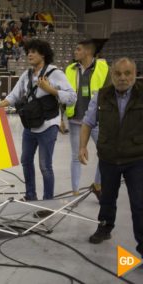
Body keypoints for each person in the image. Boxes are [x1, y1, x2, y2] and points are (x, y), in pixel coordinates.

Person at [0, 39, 76, 204]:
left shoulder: (55, 73)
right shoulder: (27, 75)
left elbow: (72, 97)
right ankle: (30, 195)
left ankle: (48, 202)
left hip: (49, 124)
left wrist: (51, 90)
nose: (30, 54)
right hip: (30, 125)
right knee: (26, 161)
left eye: (34, 51)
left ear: (43, 54)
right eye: (28, 51)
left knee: (45, 166)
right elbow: (14, 95)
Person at [79, 57, 143, 258]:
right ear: (112, 75)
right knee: (107, 198)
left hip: (136, 159)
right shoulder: (101, 95)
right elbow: (88, 122)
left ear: (135, 74)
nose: (122, 78)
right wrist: (82, 146)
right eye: (118, 73)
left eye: (127, 73)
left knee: (139, 203)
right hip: (108, 158)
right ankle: (105, 229)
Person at [65, 39, 110, 197]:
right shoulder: (70, 69)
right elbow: (64, 92)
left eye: (78, 49)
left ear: (88, 52)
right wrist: (61, 118)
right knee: (75, 156)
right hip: (75, 119)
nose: (75, 52)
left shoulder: (104, 68)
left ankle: (97, 184)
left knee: (105, 154)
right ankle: (75, 192)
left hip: (96, 120)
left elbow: (110, 92)